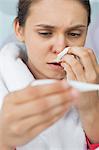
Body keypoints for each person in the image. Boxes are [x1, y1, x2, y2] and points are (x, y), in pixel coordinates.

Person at [0, 0, 99, 150]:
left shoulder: (93, 85)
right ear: (19, 29)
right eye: (45, 33)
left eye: (74, 34)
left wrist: (92, 111)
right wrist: (4, 141)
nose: (60, 47)